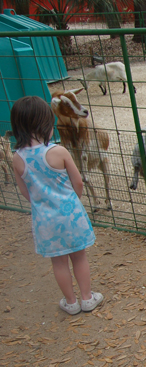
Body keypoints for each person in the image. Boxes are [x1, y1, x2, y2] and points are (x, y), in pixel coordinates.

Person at [10, 95, 103, 316]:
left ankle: (70, 303)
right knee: (79, 256)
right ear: (45, 125)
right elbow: (78, 182)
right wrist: (72, 201)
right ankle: (87, 298)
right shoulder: (58, 152)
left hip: (45, 219)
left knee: (58, 262)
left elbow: (25, 192)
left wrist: (42, 204)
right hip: (70, 214)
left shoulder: (17, 158)